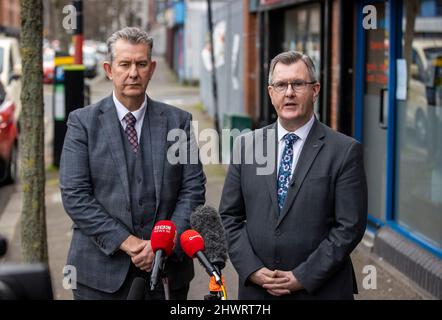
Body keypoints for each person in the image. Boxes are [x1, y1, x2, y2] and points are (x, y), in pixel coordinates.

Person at [59, 27, 206, 300]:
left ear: (151, 68)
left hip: (167, 277)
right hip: (98, 278)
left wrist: (162, 245)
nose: (133, 73)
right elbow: (75, 195)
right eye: (124, 64)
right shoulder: (82, 123)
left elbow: (193, 190)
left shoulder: (179, 122)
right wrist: (130, 244)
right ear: (108, 68)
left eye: (140, 64)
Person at [219, 51, 367, 300]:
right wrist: (253, 269)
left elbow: (349, 226)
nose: (289, 92)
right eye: (280, 85)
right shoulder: (246, 146)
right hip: (258, 292)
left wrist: (303, 276)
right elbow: (229, 217)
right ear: (270, 92)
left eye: (298, 84)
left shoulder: (344, 151)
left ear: (315, 89)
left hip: (320, 290)